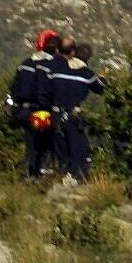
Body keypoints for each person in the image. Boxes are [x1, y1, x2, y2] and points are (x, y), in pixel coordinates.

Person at [6, 30, 62, 178]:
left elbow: (14, 88)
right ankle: (41, 175)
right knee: (46, 146)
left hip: (24, 112)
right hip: (43, 111)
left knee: (31, 146)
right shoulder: (52, 65)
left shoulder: (25, 64)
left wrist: (13, 109)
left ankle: (29, 174)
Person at [47, 40, 104, 182]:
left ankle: (60, 178)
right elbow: (100, 88)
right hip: (73, 116)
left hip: (55, 115)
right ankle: (77, 180)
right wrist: (103, 78)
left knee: (61, 151)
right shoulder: (86, 74)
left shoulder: (58, 70)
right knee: (80, 151)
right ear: (88, 58)